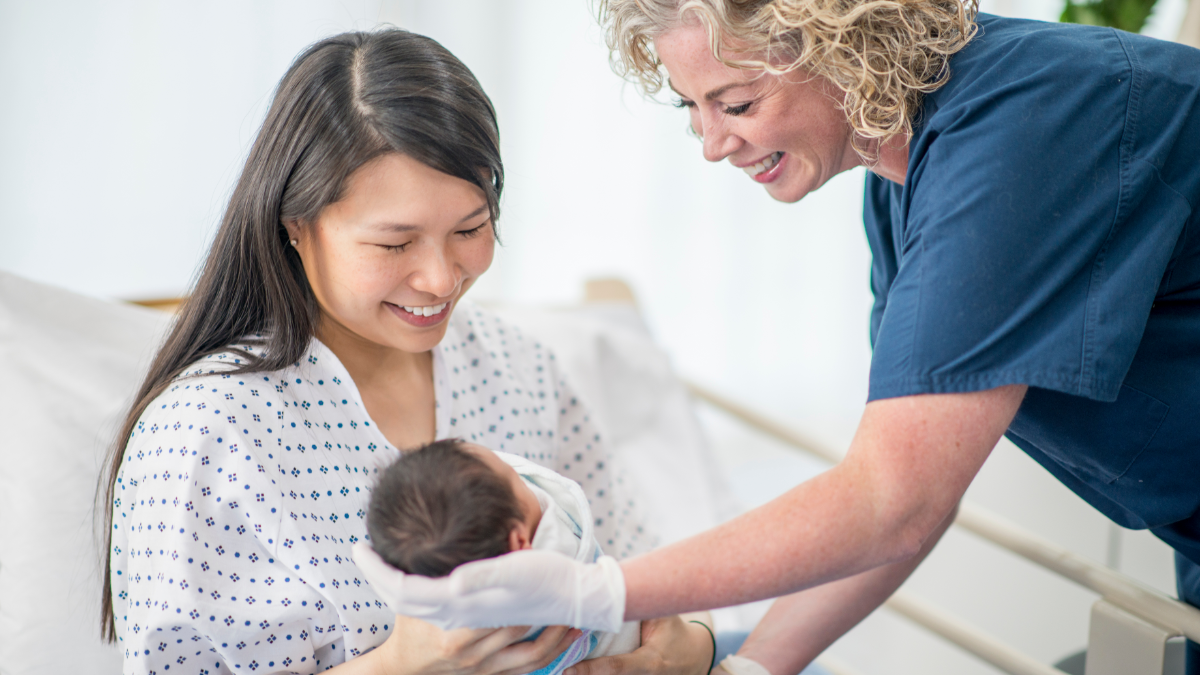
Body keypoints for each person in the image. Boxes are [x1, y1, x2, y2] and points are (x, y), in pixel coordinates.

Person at [372, 2, 1200, 674]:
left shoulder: (1026, 128)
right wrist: (751, 667)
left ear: (850, 46)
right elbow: (907, 488)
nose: (711, 144)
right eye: (690, 107)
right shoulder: (903, 182)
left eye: (735, 103)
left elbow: (891, 504)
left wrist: (597, 591)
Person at [99, 28, 716, 675]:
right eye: (395, 244)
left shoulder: (516, 367)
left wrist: (690, 647)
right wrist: (398, 664)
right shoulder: (204, 435)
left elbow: (649, 573)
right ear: (295, 224)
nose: (440, 278)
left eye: (470, 229)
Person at [359, 439, 642, 675]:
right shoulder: (560, 552)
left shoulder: (442, 608)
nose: (525, 478)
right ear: (519, 541)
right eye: (514, 477)